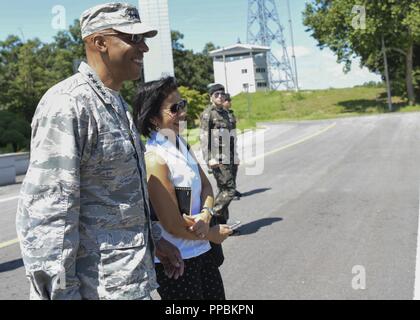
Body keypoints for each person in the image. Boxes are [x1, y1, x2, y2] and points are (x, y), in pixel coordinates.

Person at [15, 3, 187, 300]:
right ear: (99, 43)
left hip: (130, 281)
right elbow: (48, 214)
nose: (144, 48)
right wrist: (60, 294)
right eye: (133, 39)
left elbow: (118, 197)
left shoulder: (116, 104)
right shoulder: (68, 104)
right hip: (95, 289)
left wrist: (153, 240)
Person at [133, 76, 233, 300]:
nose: (183, 113)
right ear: (153, 118)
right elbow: (172, 224)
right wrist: (211, 234)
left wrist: (206, 215)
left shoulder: (180, 144)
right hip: (177, 262)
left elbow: (206, 186)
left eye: (183, 104)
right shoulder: (155, 158)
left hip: (203, 252)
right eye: (174, 108)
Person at [200, 84, 236, 224]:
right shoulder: (208, 114)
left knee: (223, 189)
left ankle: (221, 225)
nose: (220, 97)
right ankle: (211, 217)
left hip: (229, 156)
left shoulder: (225, 113)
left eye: (222, 94)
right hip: (218, 158)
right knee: (229, 189)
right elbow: (204, 138)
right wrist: (209, 159)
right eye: (216, 94)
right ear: (211, 98)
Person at [223, 93, 242, 200]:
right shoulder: (220, 114)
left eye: (229, 101)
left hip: (232, 144)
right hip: (224, 147)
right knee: (226, 170)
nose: (229, 103)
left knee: (234, 167)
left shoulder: (230, 114)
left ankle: (233, 189)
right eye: (228, 101)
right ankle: (227, 191)